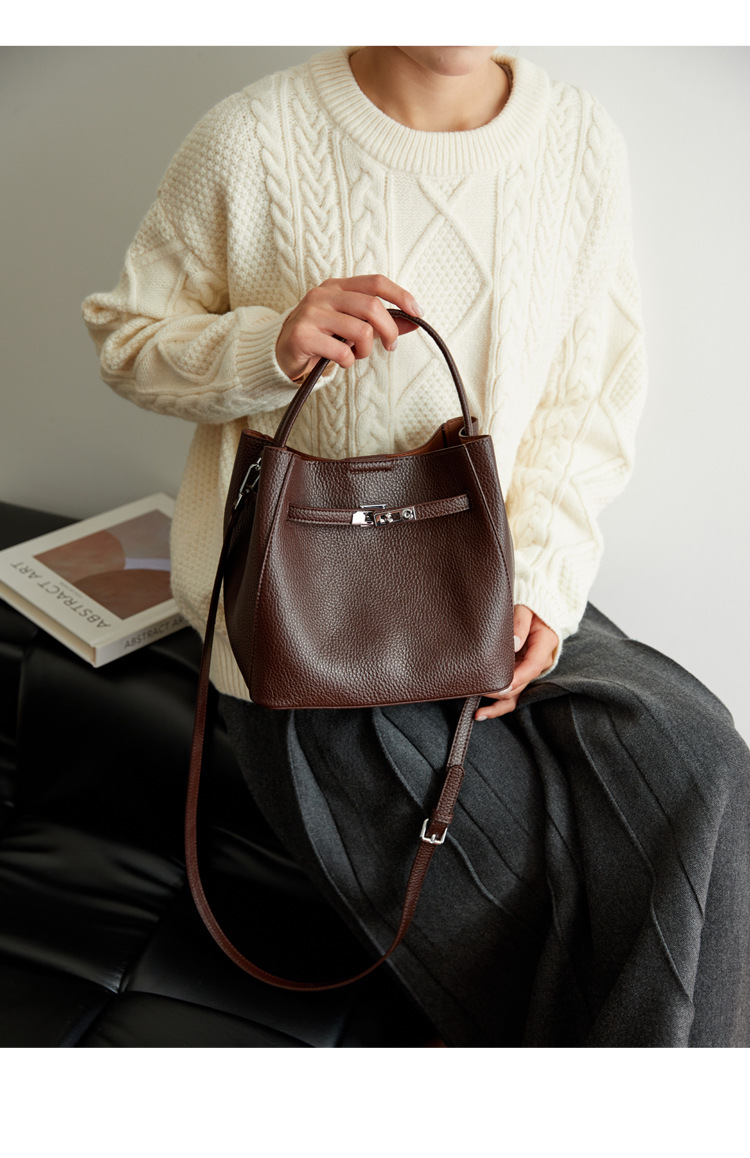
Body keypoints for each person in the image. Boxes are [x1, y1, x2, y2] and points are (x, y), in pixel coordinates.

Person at [82, 46, 750, 1047]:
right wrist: (270, 344)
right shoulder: (250, 137)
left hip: (497, 579)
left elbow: (589, 397)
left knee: (701, 755)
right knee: (539, 892)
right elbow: (127, 339)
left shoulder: (577, 140)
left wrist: (545, 584)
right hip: (302, 625)